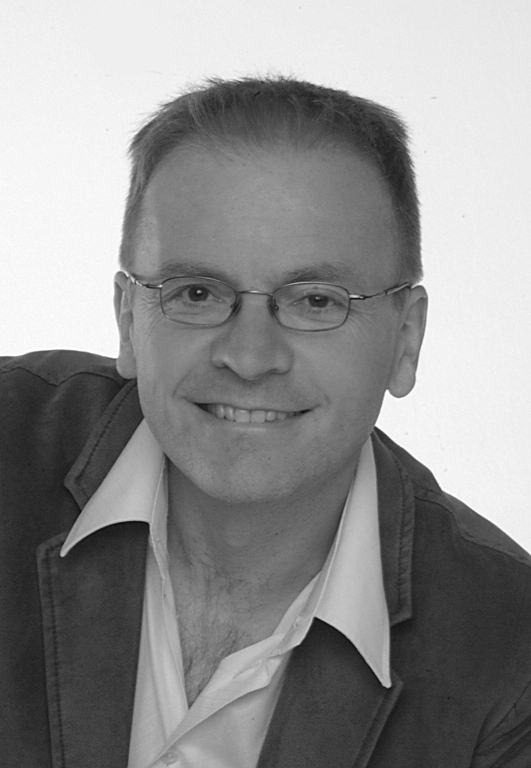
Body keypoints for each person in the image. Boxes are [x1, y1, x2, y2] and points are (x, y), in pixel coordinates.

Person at [1, 76, 531, 768]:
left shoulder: (510, 659)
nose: (249, 358)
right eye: (197, 292)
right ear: (129, 319)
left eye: (316, 301)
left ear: (405, 340)